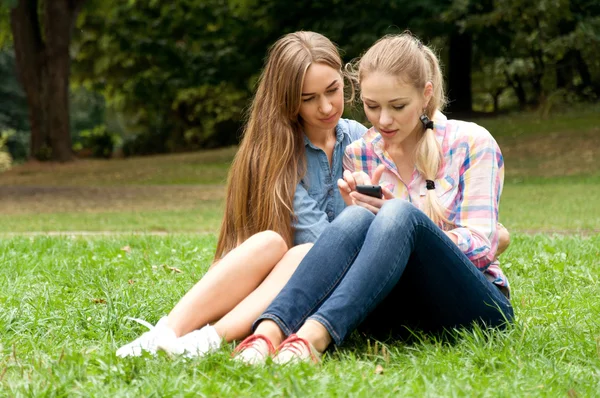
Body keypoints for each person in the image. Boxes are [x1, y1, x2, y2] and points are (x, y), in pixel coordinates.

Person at [233, 33, 514, 365]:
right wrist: (367, 223)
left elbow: (482, 243)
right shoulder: (362, 152)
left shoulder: (471, 142)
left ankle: (311, 339)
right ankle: (268, 333)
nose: (383, 120)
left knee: (398, 214)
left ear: (425, 95)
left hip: (472, 307)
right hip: (393, 311)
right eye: (371, 106)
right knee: (357, 219)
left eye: (397, 106)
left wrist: (405, 227)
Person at [115, 31, 367, 358]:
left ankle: (206, 341)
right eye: (309, 98)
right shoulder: (277, 153)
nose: (326, 106)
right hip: (270, 290)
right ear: (289, 100)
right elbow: (320, 241)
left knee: (301, 253)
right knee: (274, 243)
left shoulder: (360, 140)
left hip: (320, 293)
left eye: (333, 90)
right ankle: (165, 333)